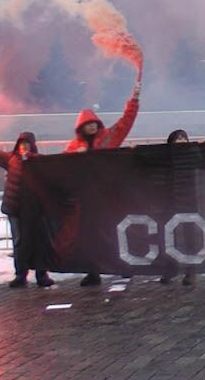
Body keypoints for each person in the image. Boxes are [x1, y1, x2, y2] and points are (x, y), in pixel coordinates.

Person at [64, 79, 141, 286]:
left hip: (108, 195)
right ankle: (93, 271)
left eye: (93, 124)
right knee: (89, 236)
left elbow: (126, 121)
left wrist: (133, 100)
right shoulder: (73, 147)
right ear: (81, 127)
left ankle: (123, 266)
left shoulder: (109, 138)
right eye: (87, 124)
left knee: (113, 231)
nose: (91, 126)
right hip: (87, 198)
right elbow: (63, 166)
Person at [0, 124, 53, 288]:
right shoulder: (11, 160)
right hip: (16, 209)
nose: (24, 147)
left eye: (27, 144)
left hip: (34, 210)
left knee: (39, 241)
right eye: (21, 143)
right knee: (19, 242)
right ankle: (21, 275)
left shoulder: (39, 162)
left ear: (32, 146)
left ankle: (41, 274)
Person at [160, 129, 199, 287]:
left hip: (188, 200)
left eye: (184, 137)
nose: (182, 140)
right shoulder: (165, 157)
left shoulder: (193, 156)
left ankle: (190, 271)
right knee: (169, 236)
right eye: (178, 138)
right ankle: (171, 267)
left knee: (189, 236)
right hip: (170, 200)